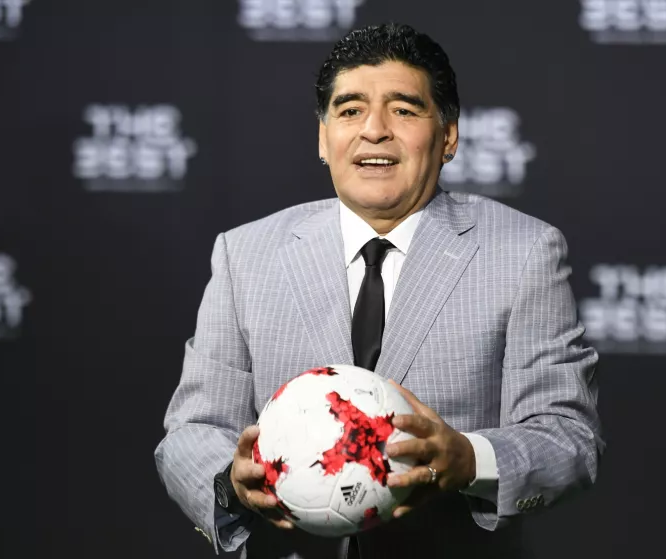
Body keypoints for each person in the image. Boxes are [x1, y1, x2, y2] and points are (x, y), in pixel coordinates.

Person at [154, 22, 604, 559]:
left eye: (404, 109)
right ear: (323, 138)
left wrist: (468, 458)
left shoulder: (524, 252)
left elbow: (568, 439)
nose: (374, 130)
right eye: (349, 110)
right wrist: (231, 483)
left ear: (449, 136)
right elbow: (191, 431)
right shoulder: (245, 254)